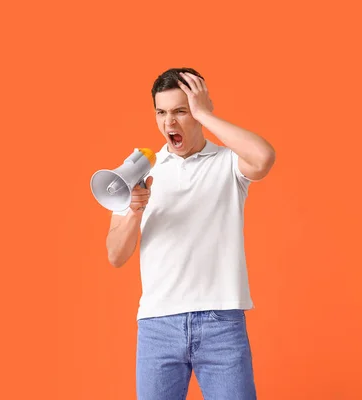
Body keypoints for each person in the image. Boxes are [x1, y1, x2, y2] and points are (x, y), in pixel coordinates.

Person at [106, 67, 275, 399]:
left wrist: (204, 114)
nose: (170, 122)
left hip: (221, 323)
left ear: (199, 109)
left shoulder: (228, 163)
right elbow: (115, 255)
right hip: (158, 326)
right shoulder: (140, 171)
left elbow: (264, 157)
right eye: (162, 112)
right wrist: (134, 211)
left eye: (180, 111)